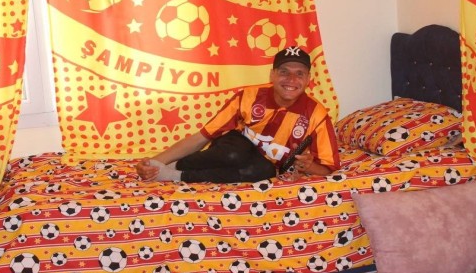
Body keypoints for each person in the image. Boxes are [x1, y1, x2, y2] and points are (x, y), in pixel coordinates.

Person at [136, 46, 340, 183]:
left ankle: (176, 175)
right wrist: (154, 162)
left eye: (299, 74)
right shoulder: (249, 96)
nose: (291, 79)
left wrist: (309, 166)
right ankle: (172, 166)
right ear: (272, 75)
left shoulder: (317, 115)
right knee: (234, 154)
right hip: (234, 148)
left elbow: (329, 168)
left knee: (265, 173)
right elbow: (202, 137)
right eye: (284, 71)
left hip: (263, 163)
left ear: (308, 80)